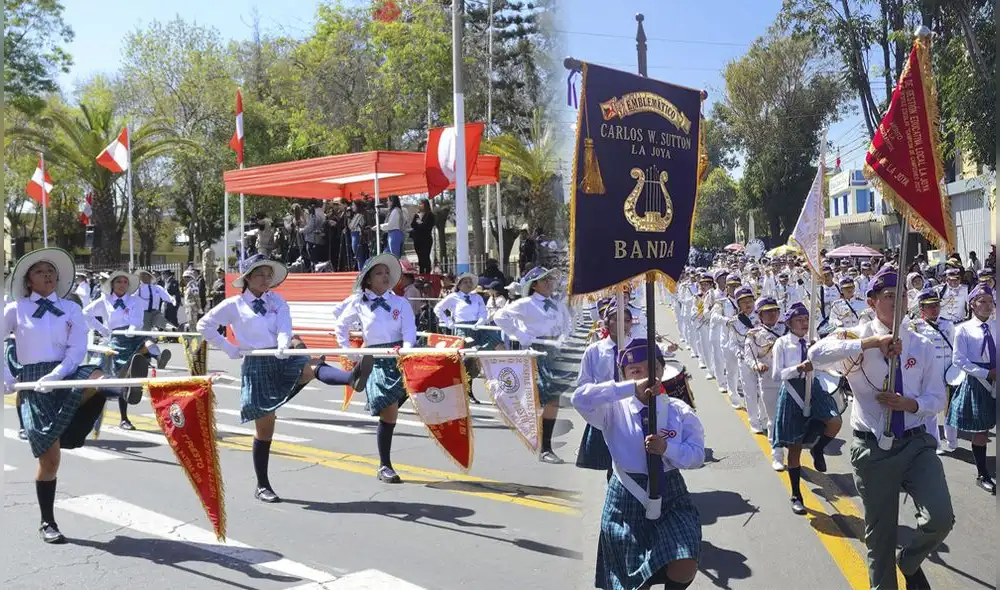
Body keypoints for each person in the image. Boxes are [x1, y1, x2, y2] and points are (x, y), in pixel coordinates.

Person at [810, 268, 953, 590]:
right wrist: (870, 343)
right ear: (872, 302)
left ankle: (911, 560)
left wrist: (910, 404)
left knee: (940, 518)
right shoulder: (855, 337)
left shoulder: (920, 342)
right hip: (873, 448)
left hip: (917, 443)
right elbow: (815, 355)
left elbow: (936, 396)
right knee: (881, 537)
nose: (897, 301)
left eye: (902, 295)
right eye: (889, 296)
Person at [197, 255, 373, 502]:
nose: (266, 280)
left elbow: (284, 325)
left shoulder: (276, 301)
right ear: (247, 278)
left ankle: (351, 378)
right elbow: (204, 325)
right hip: (257, 366)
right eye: (260, 274)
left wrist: (282, 344)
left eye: (269, 275)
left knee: (310, 365)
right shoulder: (234, 305)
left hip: (281, 357)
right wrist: (229, 347)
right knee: (265, 430)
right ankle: (262, 484)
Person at [3, 248, 122, 543]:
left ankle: (116, 386)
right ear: (28, 281)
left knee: (93, 372)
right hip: (32, 384)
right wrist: (5, 375)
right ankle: (47, 521)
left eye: (51, 271)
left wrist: (58, 374)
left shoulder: (70, 309)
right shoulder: (15, 309)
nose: (47, 275)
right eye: (40, 271)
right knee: (50, 461)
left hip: (64, 373)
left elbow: (77, 349)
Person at [572, 338, 703, 590]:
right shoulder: (612, 409)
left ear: (662, 370)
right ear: (625, 376)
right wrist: (629, 389)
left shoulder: (679, 410)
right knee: (631, 579)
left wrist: (668, 449)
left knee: (685, 562)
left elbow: (697, 455)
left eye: (650, 368)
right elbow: (580, 398)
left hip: (671, 491)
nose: (645, 376)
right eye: (635, 371)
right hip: (626, 495)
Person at [333, 253, 415, 483]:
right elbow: (340, 324)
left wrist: (406, 349)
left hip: (399, 356)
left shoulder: (400, 302)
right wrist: (350, 351)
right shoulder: (358, 302)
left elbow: (409, 329)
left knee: (394, 408)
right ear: (368, 279)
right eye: (379, 273)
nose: (385, 276)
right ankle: (385, 465)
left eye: (387, 272)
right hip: (375, 357)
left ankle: (372, 394)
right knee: (389, 410)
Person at [769, 302, 843, 515]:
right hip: (793, 391)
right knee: (794, 446)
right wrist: (798, 368)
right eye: (799, 320)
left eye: (806, 320)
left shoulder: (813, 341)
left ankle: (819, 448)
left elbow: (825, 365)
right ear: (790, 323)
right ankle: (796, 495)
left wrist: (818, 355)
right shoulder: (782, 343)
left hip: (814, 385)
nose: (804, 323)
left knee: (834, 421)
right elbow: (777, 375)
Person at [494, 266, 573, 463]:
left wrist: (565, 336)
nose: (549, 283)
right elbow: (499, 317)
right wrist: (523, 336)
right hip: (538, 351)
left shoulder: (558, 304)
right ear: (534, 285)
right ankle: (543, 445)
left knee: (554, 398)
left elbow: (568, 324)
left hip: (556, 351)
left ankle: (545, 446)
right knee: (542, 397)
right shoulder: (526, 303)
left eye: (550, 280)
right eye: (544, 280)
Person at [83, 270, 172, 430]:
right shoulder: (104, 301)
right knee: (123, 379)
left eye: (125, 282)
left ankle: (159, 359)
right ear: (112, 284)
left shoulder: (135, 300)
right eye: (119, 282)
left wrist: (132, 328)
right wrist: (102, 329)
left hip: (133, 334)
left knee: (147, 341)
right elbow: (86, 313)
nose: (122, 285)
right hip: (117, 339)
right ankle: (124, 418)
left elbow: (137, 319)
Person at [945, 283, 996, 494]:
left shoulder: (996, 325)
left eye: (990, 302)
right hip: (979, 380)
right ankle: (983, 473)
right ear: (972, 305)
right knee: (981, 430)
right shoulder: (963, 329)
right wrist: (986, 374)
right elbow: (959, 360)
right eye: (982, 301)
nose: (987, 305)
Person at [575, 299, 634, 478]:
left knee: (633, 459)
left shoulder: (637, 347)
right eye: (617, 319)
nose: (623, 324)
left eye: (627, 320)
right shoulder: (594, 351)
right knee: (612, 461)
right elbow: (583, 385)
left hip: (633, 410)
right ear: (607, 322)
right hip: (607, 411)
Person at [908, 290, 958, 455]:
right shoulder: (916, 326)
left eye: (936, 305)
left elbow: (954, 348)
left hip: (948, 372)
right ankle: (935, 443)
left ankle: (952, 441)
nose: (934, 309)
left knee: (950, 409)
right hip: (930, 373)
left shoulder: (948, 325)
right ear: (922, 308)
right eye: (930, 307)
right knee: (931, 410)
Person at [743, 296, 787, 468]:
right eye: (767, 312)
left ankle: (792, 448)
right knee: (773, 418)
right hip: (769, 381)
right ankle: (777, 453)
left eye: (775, 311)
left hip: (789, 379)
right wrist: (757, 365)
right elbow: (749, 357)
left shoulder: (787, 328)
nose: (772, 315)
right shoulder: (754, 335)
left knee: (792, 416)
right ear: (760, 315)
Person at [410, 198, 435, 274]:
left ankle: (427, 273)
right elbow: (413, 225)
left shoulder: (430, 215)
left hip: (426, 239)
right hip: (418, 239)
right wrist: (418, 222)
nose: (420, 205)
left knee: (425, 256)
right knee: (420, 257)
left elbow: (427, 227)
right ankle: (421, 273)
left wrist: (420, 223)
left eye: (421, 204)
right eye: (419, 204)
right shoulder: (417, 215)